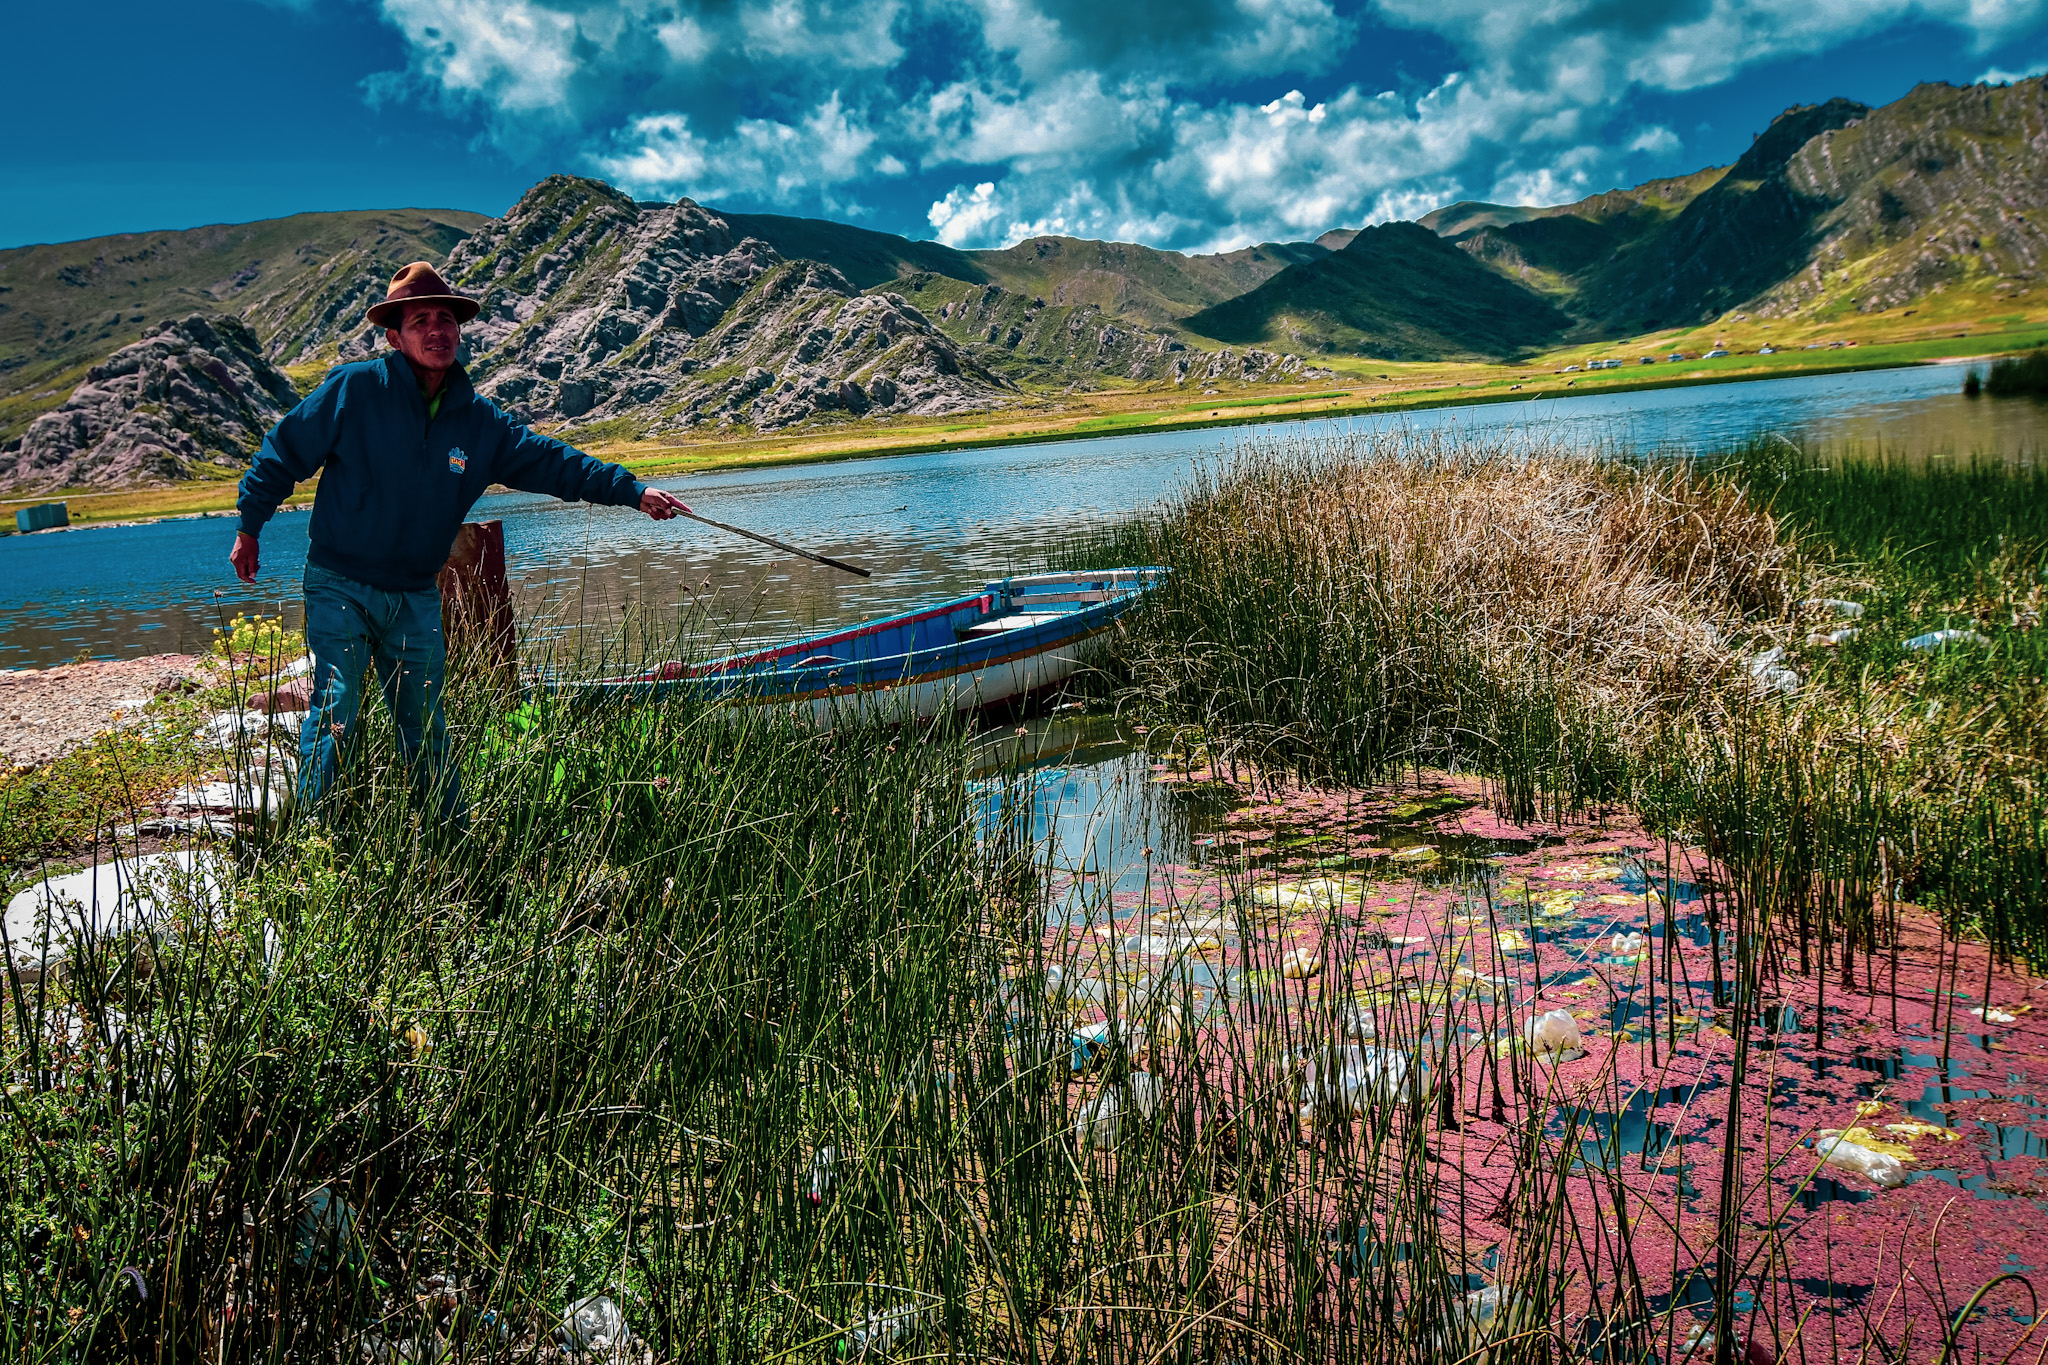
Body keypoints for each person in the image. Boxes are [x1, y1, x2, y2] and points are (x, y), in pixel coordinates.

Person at [231, 261, 690, 831]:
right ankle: (318, 844)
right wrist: (251, 524)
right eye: (419, 320)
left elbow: (554, 463)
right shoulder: (354, 391)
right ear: (395, 337)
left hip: (416, 596)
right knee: (338, 710)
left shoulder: (478, 423)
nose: (436, 330)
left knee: (425, 725)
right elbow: (282, 450)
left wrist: (633, 490)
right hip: (339, 584)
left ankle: (449, 843)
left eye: (445, 319)